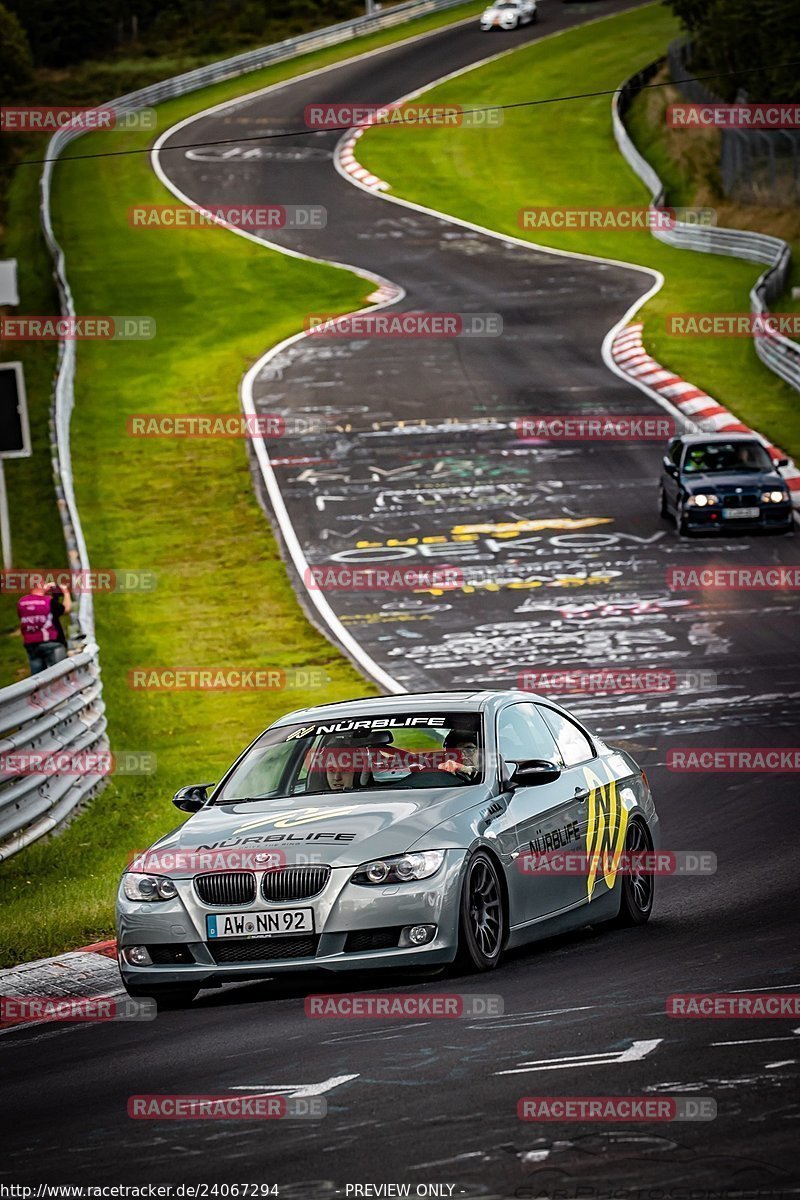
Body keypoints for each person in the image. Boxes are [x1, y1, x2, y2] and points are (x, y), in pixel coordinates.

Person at [18, 581, 71, 675]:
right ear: (42, 586)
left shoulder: (22, 602)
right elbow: (66, 609)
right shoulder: (47, 601)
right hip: (51, 642)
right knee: (59, 675)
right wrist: (65, 592)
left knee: (38, 677)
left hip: (31, 644)